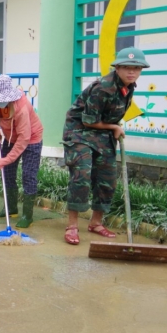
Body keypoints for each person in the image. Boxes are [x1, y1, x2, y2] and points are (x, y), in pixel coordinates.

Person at [62, 47, 149, 245]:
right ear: (117, 68)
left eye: (136, 68)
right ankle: (72, 226)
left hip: (102, 133)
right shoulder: (104, 87)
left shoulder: (129, 87)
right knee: (81, 175)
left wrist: (112, 127)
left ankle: (96, 223)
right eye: (126, 67)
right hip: (79, 132)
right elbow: (87, 120)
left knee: (107, 178)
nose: (131, 71)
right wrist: (114, 127)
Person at [0, 75, 44, 228]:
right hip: (9, 137)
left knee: (28, 175)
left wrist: (7, 159)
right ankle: (10, 208)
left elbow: (24, 138)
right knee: (7, 173)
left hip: (31, 138)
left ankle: (27, 215)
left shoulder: (21, 108)